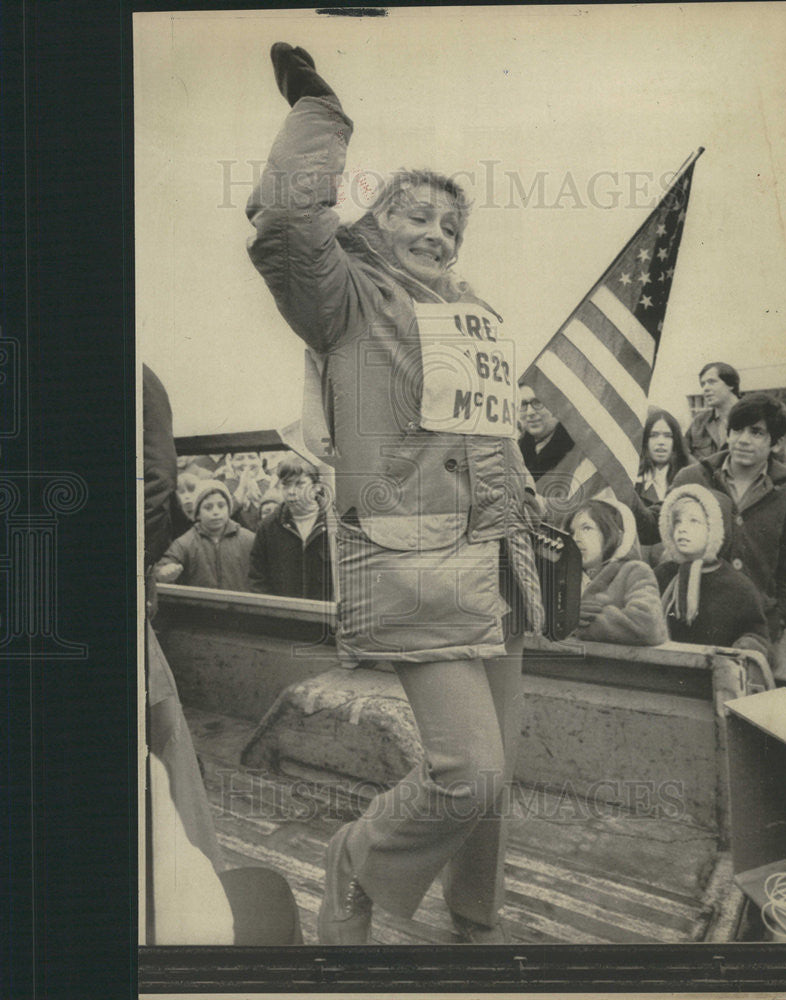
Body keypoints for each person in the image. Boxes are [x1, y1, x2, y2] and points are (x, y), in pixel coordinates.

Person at [246, 43, 545, 945]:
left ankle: (473, 920)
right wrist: (320, 115)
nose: (437, 234)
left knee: (498, 771)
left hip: (498, 566)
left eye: (450, 226)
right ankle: (354, 859)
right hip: (417, 569)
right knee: (469, 773)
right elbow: (286, 224)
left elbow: (489, 447)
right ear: (376, 222)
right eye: (416, 216)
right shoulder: (346, 298)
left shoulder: (471, 314)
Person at [672, 392, 786, 640]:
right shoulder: (693, 478)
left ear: (776, 443)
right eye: (737, 430)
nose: (743, 440)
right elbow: (658, 528)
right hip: (691, 622)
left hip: (753, 630)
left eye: (756, 432)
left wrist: (773, 624)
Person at [655, 484, 770, 658]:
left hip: (712, 677)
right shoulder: (661, 575)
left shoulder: (737, 586)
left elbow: (756, 634)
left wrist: (746, 645)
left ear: (716, 530)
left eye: (694, 521)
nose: (682, 528)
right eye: (677, 521)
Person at [567, 497, 667, 646]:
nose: (576, 538)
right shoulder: (563, 575)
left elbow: (647, 626)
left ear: (614, 533)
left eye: (586, 528)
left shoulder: (634, 571)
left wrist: (578, 624)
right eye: (572, 532)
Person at [248, 461, 334, 600]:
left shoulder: (335, 524)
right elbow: (258, 579)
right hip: (283, 617)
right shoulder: (268, 527)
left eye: (300, 484)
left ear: (316, 487)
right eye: (286, 484)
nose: (292, 492)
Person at [155, 480, 255, 592]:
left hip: (240, 606)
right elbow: (162, 568)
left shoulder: (249, 540)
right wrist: (164, 572)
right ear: (198, 513)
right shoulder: (185, 543)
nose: (215, 512)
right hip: (200, 606)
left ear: (228, 509)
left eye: (221, 506)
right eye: (208, 507)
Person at [631, 408, 692, 559]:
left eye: (667, 436)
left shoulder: (690, 475)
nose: (661, 442)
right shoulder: (632, 478)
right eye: (654, 435)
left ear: (676, 441)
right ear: (645, 440)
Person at [517, 384, 575, 481]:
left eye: (538, 402)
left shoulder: (576, 451)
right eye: (523, 404)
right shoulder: (517, 452)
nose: (530, 412)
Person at [684, 362, 740, 460]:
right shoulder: (699, 422)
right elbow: (682, 452)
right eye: (703, 384)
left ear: (730, 384)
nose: (705, 389)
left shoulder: (755, 417)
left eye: (712, 382)